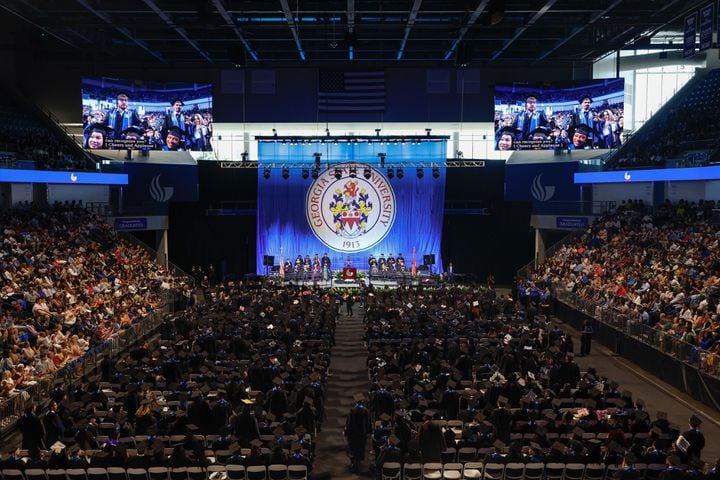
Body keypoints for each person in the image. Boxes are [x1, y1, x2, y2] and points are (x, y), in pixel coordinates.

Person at [345, 396, 371, 472]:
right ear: (362, 401)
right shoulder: (365, 410)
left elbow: (349, 422)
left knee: (354, 446)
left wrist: (347, 431)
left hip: (353, 432)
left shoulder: (352, 410)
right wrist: (369, 431)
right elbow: (368, 422)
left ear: (356, 402)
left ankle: (354, 461)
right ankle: (359, 460)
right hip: (362, 432)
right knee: (361, 446)